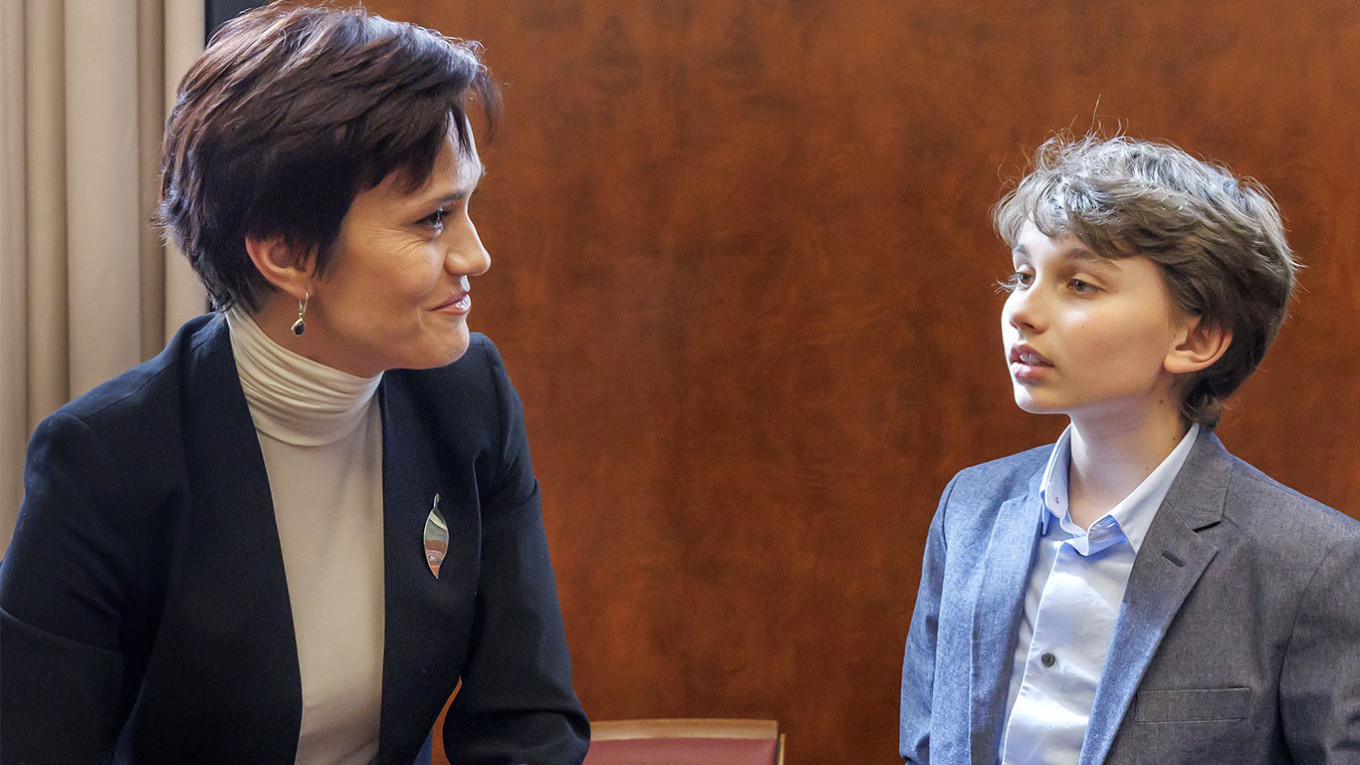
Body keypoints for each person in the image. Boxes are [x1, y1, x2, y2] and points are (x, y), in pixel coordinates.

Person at [0, 4, 589, 763]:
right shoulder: (106, 462)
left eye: (467, 205)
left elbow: (528, 722)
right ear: (286, 252)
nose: (475, 256)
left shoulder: (469, 398)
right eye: (432, 220)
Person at [899, 134, 1360, 764]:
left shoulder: (1315, 564)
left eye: (1080, 283)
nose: (1021, 311)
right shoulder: (970, 510)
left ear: (1197, 338)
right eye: (1023, 274)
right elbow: (925, 746)